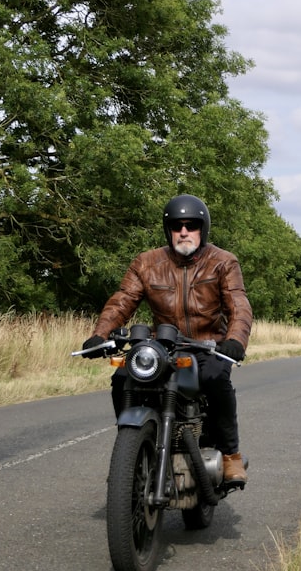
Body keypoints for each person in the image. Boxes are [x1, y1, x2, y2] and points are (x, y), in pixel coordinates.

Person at [81, 194, 252, 486]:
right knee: (124, 377)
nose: (184, 231)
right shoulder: (147, 263)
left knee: (215, 378)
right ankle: (132, 449)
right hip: (163, 345)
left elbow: (238, 304)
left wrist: (235, 340)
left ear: (203, 228)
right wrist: (100, 334)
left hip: (206, 344)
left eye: (191, 225)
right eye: (177, 226)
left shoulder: (222, 261)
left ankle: (230, 455)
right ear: (168, 229)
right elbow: (123, 300)